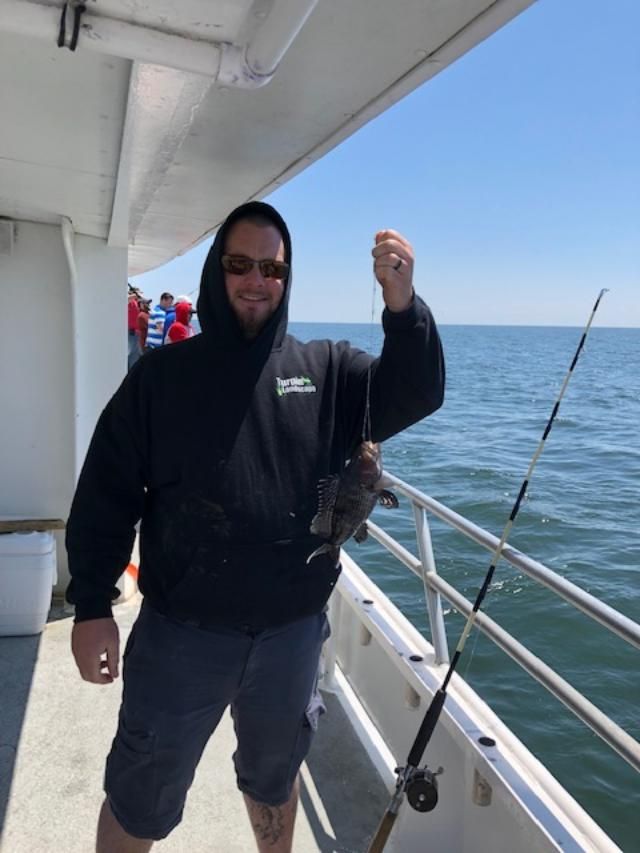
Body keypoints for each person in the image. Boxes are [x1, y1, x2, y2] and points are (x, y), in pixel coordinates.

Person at [65, 201, 445, 853]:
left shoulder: (328, 370)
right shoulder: (161, 377)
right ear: (217, 270)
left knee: (273, 782)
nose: (256, 280)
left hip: (290, 638)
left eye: (272, 268)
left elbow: (416, 391)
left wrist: (403, 306)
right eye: (240, 264)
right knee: (138, 797)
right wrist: (92, 604)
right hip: (180, 638)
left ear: (286, 278)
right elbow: (107, 492)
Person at [127, 285, 142, 370]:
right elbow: (123, 300)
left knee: (134, 356)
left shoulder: (137, 303)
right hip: (129, 332)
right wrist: (134, 295)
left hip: (136, 333)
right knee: (128, 355)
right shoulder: (130, 301)